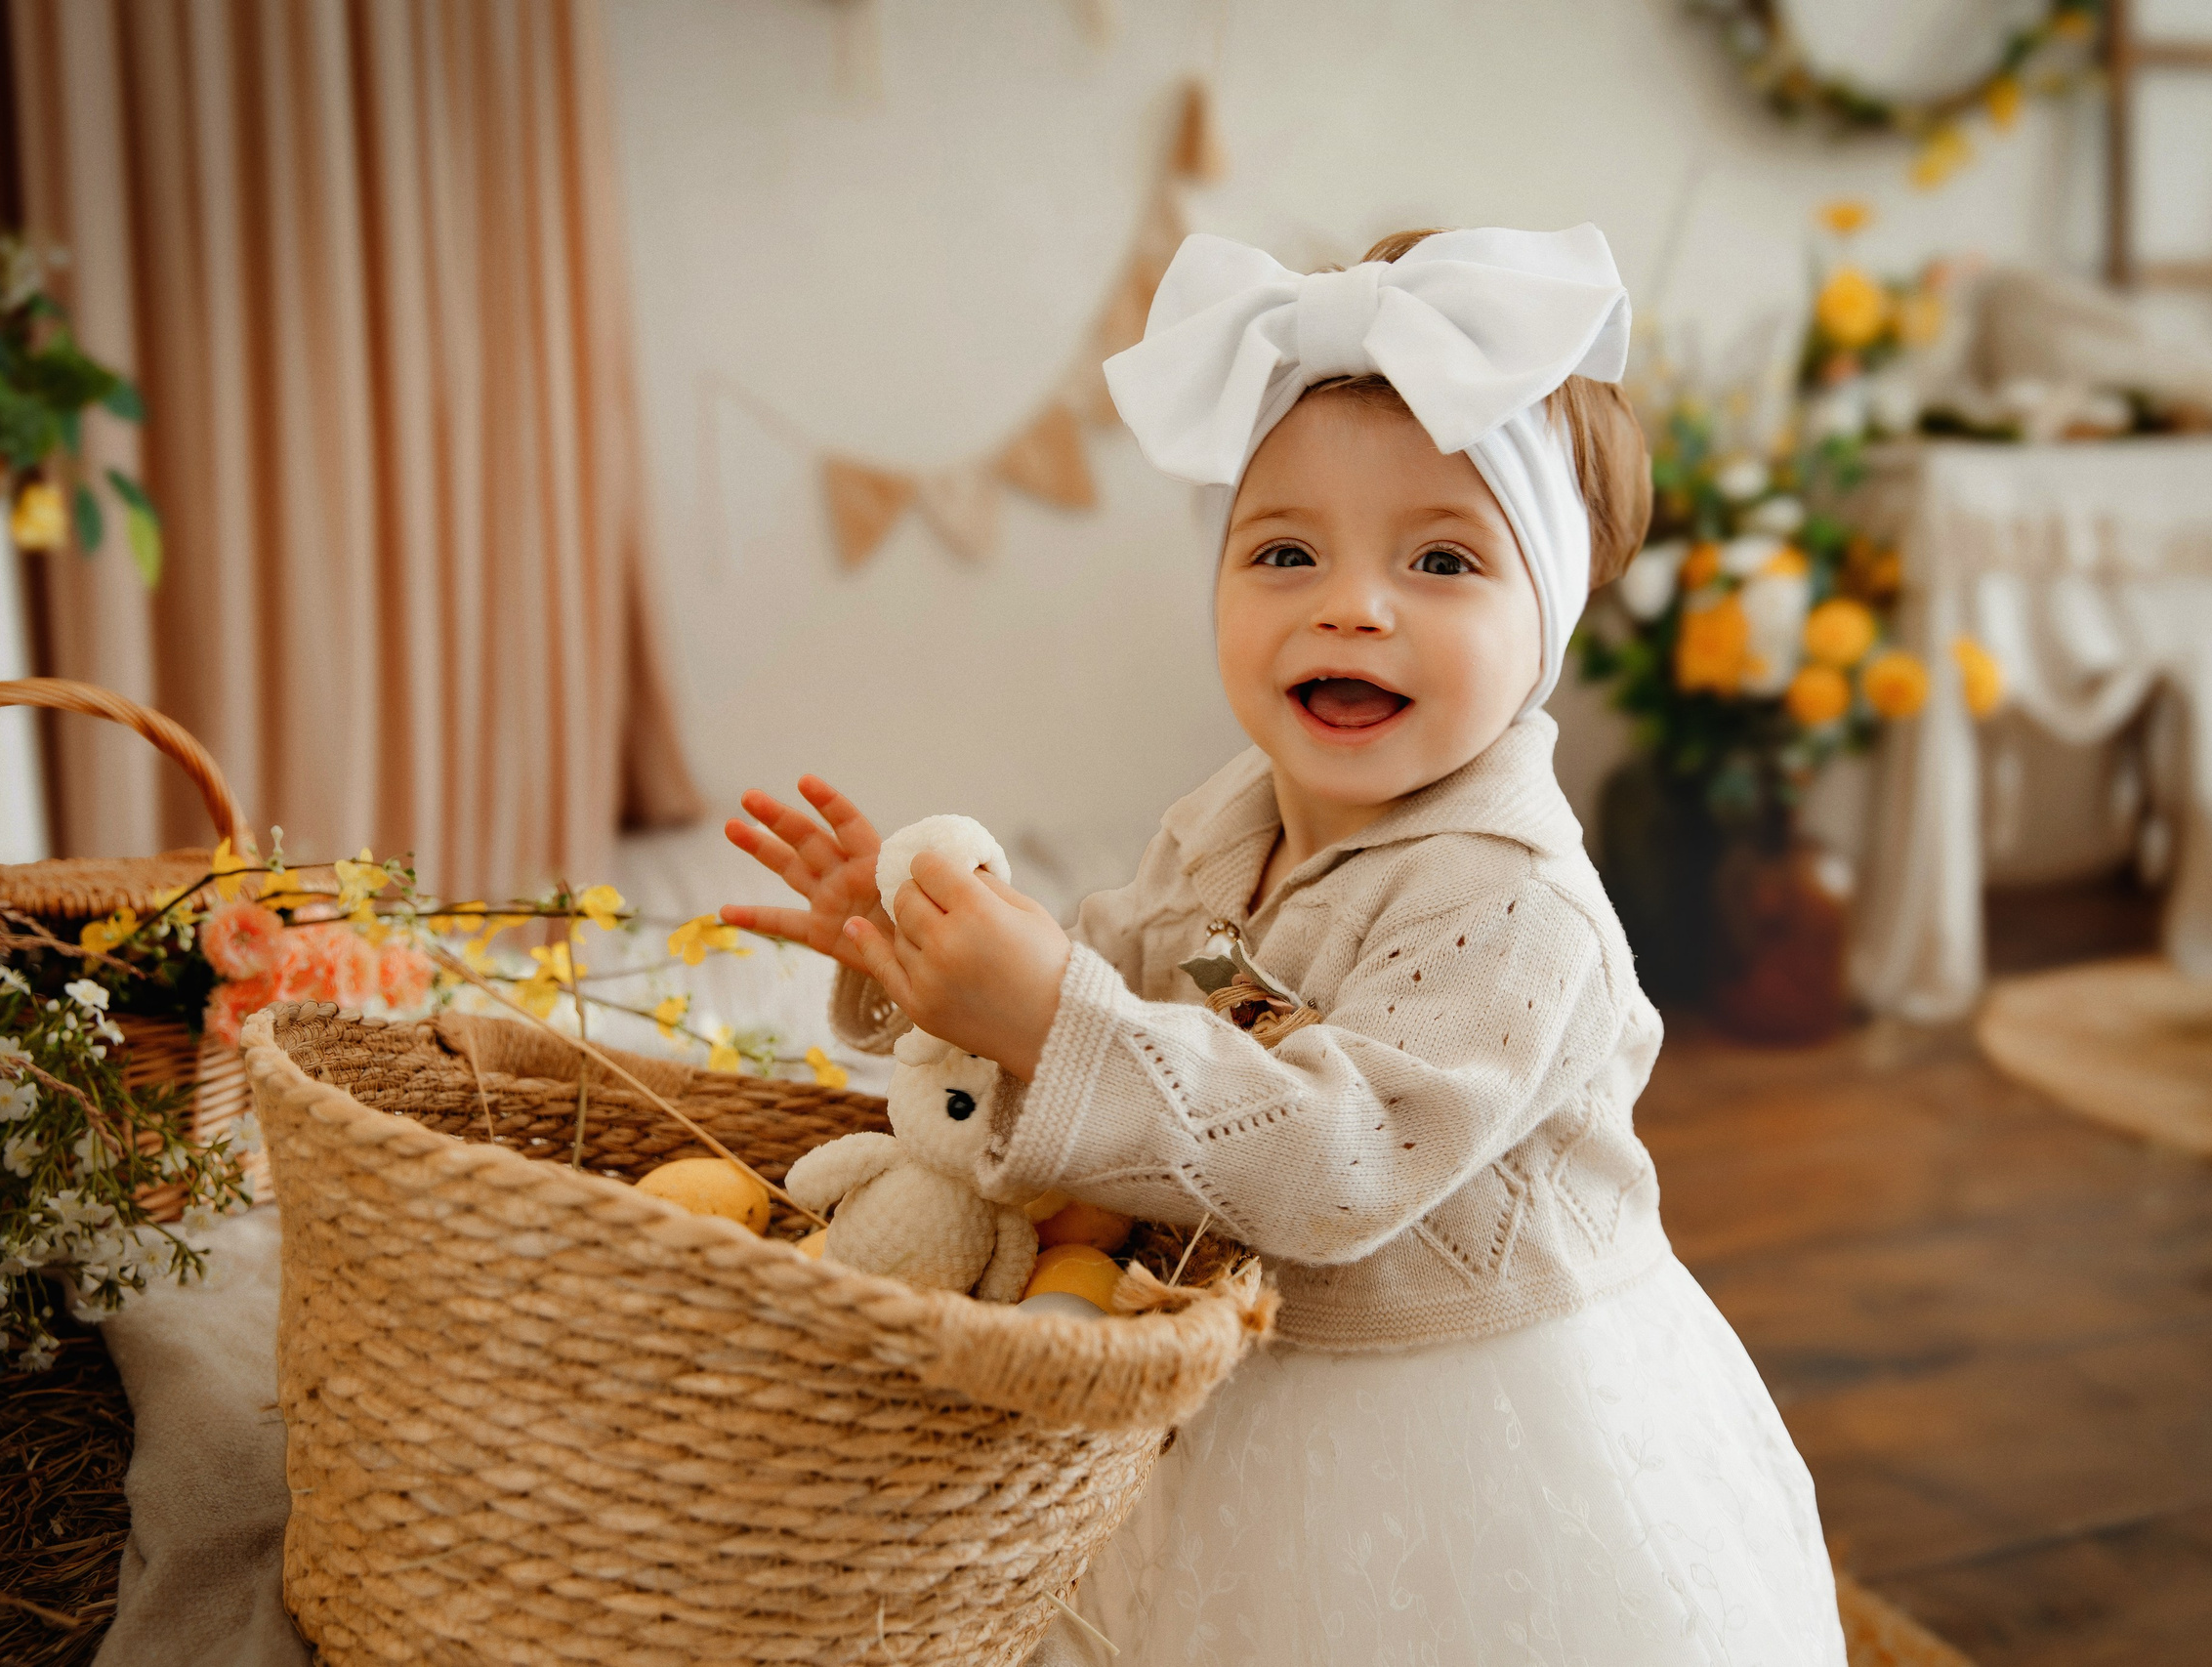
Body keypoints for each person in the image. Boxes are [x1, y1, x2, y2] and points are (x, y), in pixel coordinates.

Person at [723, 227, 1848, 1665]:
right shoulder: (1229, 821)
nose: (1351, 602)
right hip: (1242, 1369)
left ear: (1546, 619)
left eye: (1442, 559)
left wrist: (1048, 1018)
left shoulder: (1518, 906)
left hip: (1463, 1414)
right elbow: (1120, 984)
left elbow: (1339, 1159)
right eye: (1285, 551)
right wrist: (926, 956)